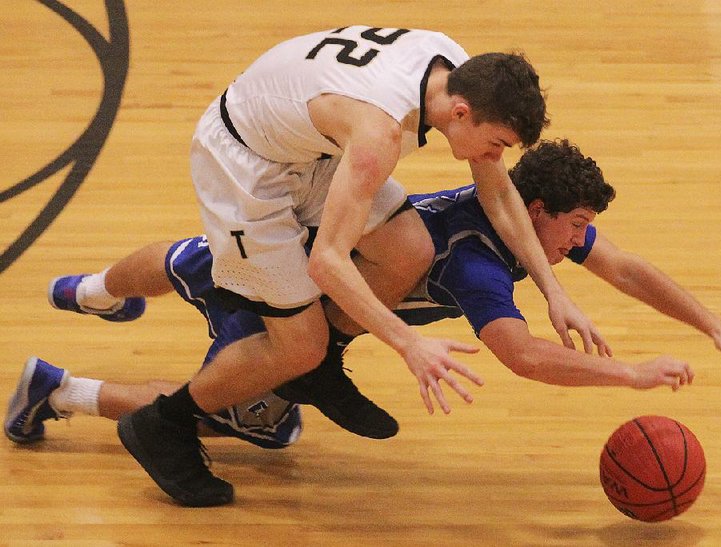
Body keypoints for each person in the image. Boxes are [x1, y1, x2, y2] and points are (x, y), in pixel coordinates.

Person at [8, 140, 721, 504]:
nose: (580, 240)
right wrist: (630, 372)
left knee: (191, 257)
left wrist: (710, 323)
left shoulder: (527, 221)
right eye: (575, 225)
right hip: (289, 300)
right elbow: (518, 353)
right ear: (540, 210)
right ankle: (62, 385)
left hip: (318, 276)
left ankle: (89, 301)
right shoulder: (479, 262)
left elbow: (622, 265)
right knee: (222, 394)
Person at [85, 25, 611, 507]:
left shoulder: (458, 71)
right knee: (297, 344)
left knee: (410, 246)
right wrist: (408, 343)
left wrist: (554, 292)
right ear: (460, 115)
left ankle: (318, 368)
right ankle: (163, 424)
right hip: (246, 165)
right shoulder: (378, 135)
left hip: (307, 145)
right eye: (497, 143)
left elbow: (496, 194)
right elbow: (328, 263)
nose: (497, 156)